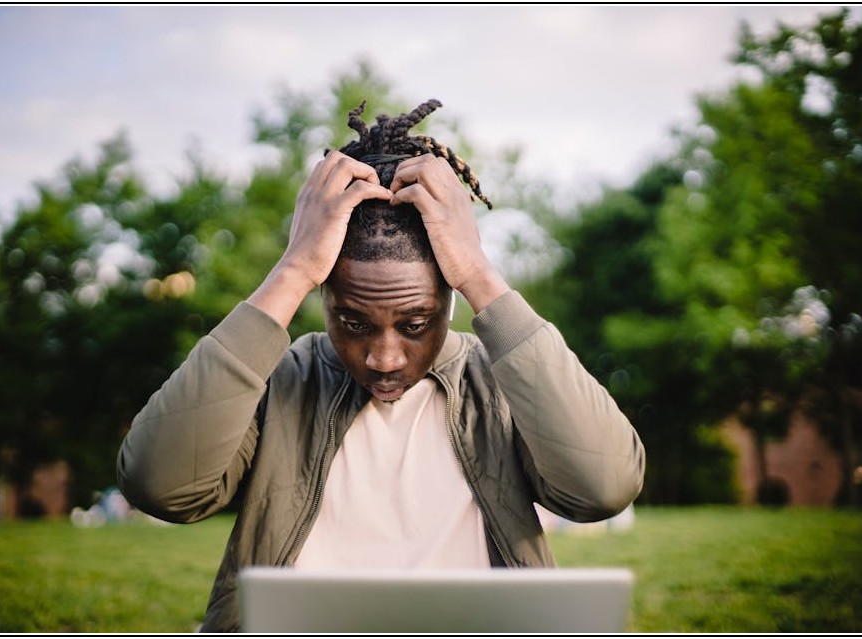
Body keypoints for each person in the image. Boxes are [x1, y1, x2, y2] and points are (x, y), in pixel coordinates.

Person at [116, 99, 646, 632]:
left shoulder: (504, 380)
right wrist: (293, 268)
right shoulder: (280, 378)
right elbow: (160, 486)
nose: (384, 358)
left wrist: (480, 273)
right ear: (322, 296)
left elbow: (602, 487)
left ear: (450, 299)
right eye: (353, 322)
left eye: (415, 325)